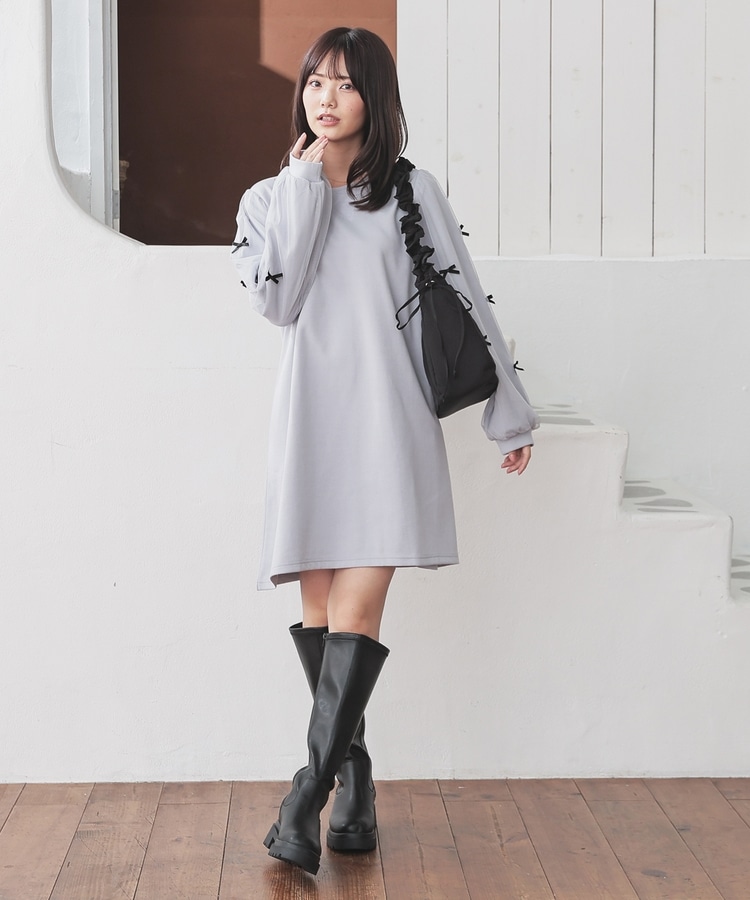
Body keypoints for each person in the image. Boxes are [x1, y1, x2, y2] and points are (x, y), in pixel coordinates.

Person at [231, 26, 538, 875]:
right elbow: (279, 302)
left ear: (375, 98)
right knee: (322, 618)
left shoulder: (410, 191)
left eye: (346, 84)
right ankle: (356, 781)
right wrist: (304, 187)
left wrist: (510, 413)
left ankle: (306, 795)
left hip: (389, 425)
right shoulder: (268, 199)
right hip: (311, 426)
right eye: (314, 82)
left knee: (357, 615)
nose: (326, 98)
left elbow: (467, 293)